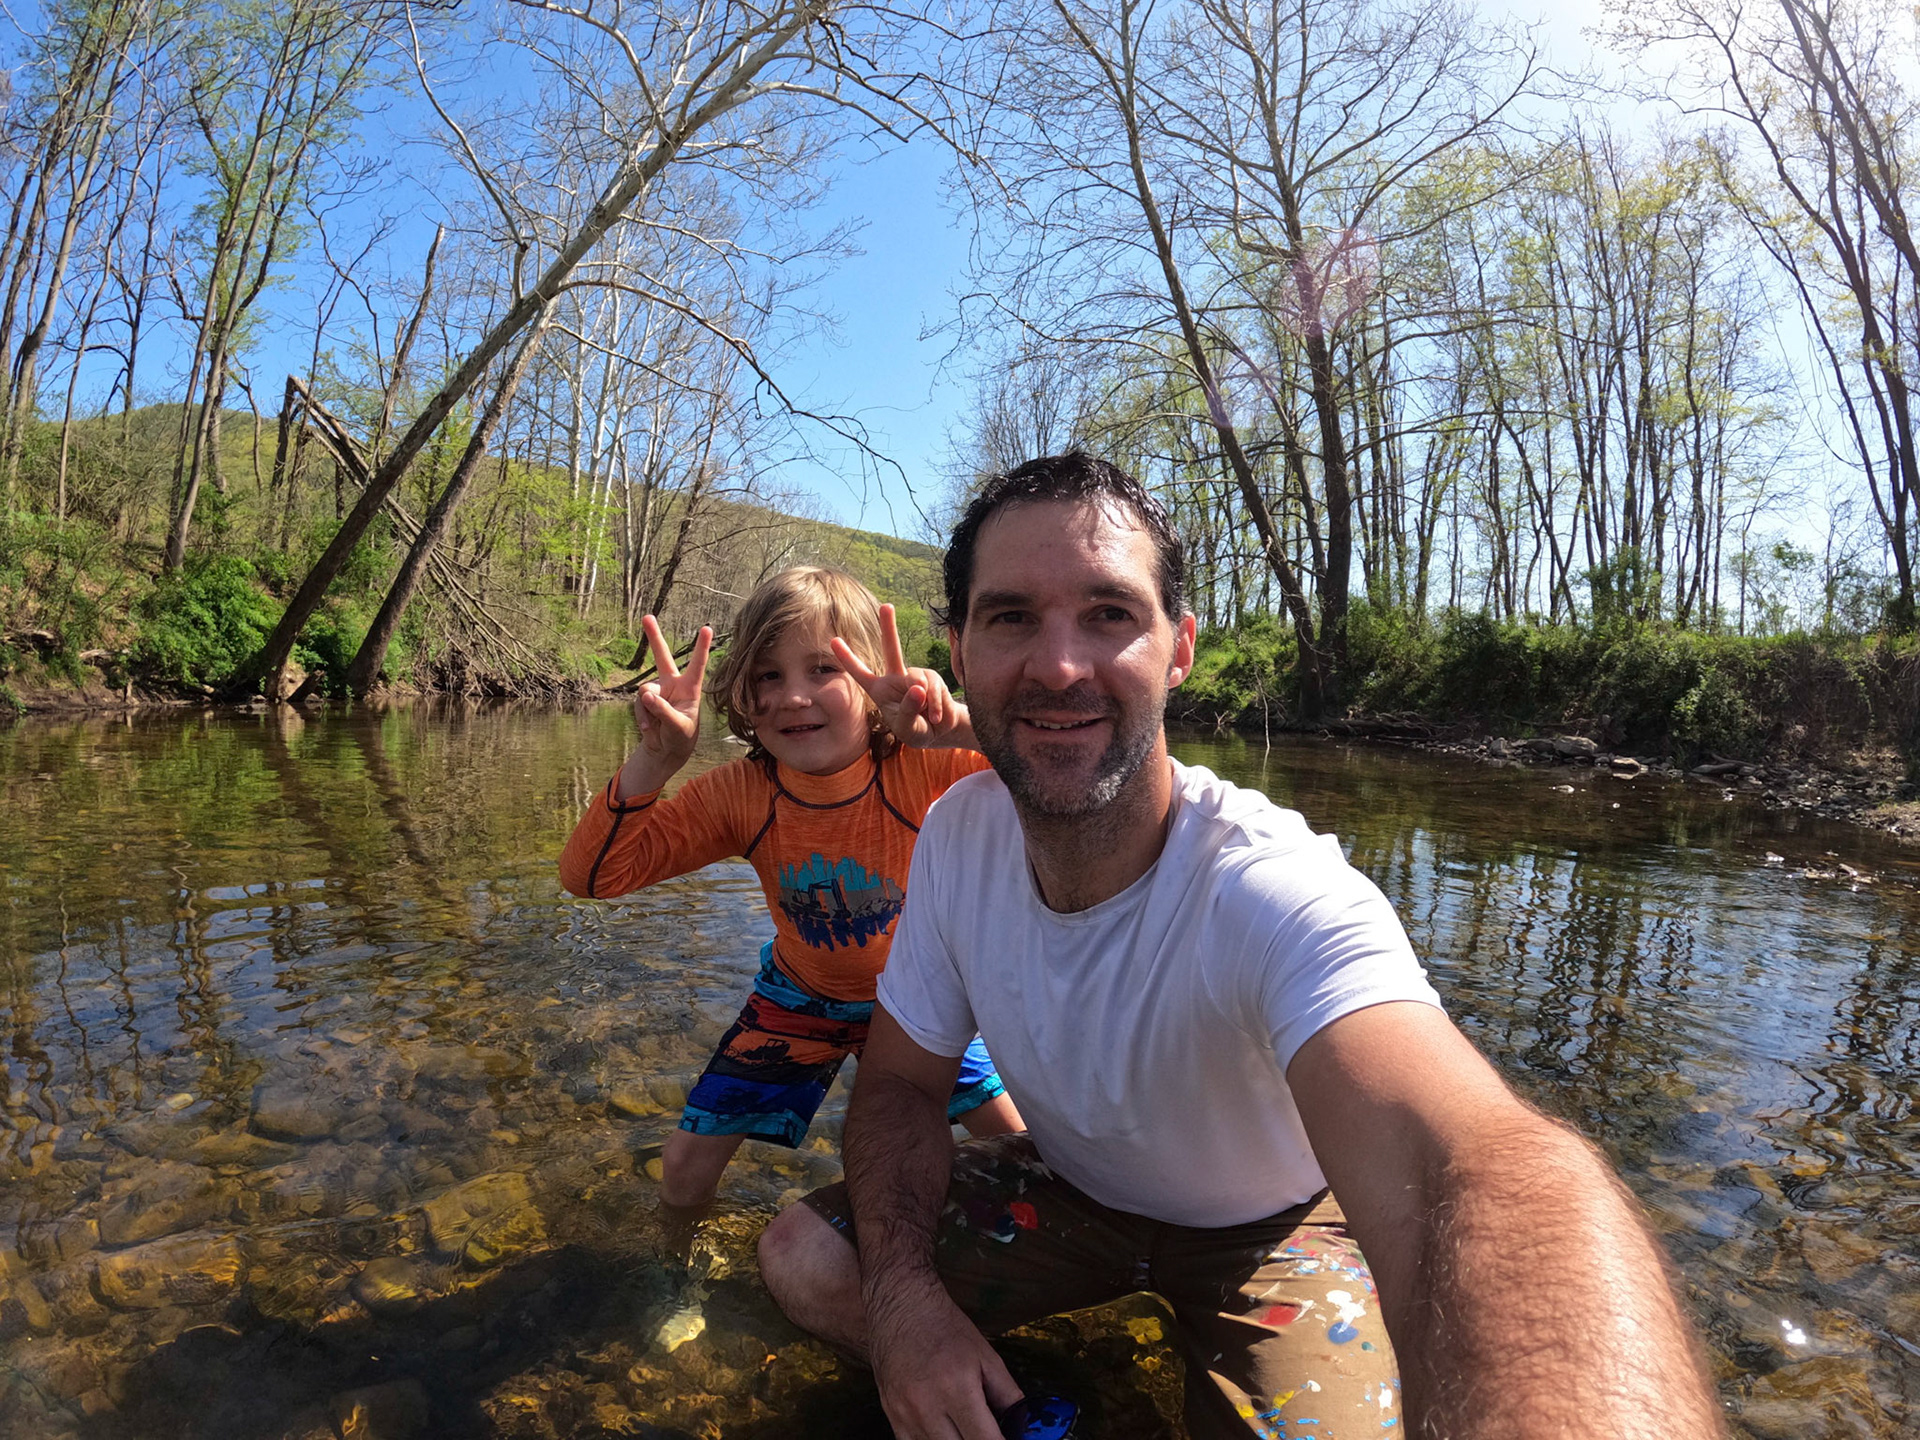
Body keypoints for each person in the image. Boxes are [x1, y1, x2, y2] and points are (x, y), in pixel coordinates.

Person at [757, 455, 1726, 1440]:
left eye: (1108, 614)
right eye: (1011, 617)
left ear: (1177, 651)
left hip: (1274, 1234)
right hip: (1072, 1190)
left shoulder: (1270, 886)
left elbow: (1483, 1165)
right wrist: (911, 1307)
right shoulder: (959, 839)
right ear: (959, 654)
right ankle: (1041, 1400)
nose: (1058, 665)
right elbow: (898, 1089)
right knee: (811, 1262)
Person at [559, 567, 1023, 1208]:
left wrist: (957, 726)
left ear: (870, 686)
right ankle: (678, 1289)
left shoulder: (929, 767)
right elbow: (590, 878)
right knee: (684, 1167)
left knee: (1024, 1148)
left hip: (921, 1001)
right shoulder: (741, 794)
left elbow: (1052, 766)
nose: (792, 697)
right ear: (742, 693)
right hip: (798, 999)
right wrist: (656, 761)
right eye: (768, 676)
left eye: (822, 670)